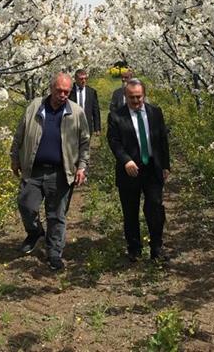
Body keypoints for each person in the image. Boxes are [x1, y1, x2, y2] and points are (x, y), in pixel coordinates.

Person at [10, 72, 89, 271]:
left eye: (66, 92)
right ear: (51, 88)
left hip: (60, 172)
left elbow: (84, 143)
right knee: (26, 204)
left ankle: (54, 252)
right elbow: (20, 133)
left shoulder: (76, 112)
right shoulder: (35, 106)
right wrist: (15, 157)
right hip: (34, 170)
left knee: (56, 215)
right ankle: (35, 232)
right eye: (59, 90)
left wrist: (81, 167)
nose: (62, 95)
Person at [107, 78, 170, 262]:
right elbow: (114, 142)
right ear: (125, 96)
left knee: (155, 208)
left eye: (139, 97)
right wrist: (126, 160)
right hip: (130, 170)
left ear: (144, 95)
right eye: (132, 97)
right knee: (130, 211)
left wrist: (165, 165)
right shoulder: (116, 116)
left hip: (152, 168)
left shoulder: (155, 112)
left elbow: (162, 139)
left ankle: (156, 248)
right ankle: (134, 249)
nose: (136, 101)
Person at [69, 69, 101, 135]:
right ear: (75, 79)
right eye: (81, 79)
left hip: (87, 125)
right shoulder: (69, 91)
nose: (84, 81)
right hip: (72, 125)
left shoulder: (91, 92)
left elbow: (96, 111)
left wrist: (97, 128)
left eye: (85, 78)